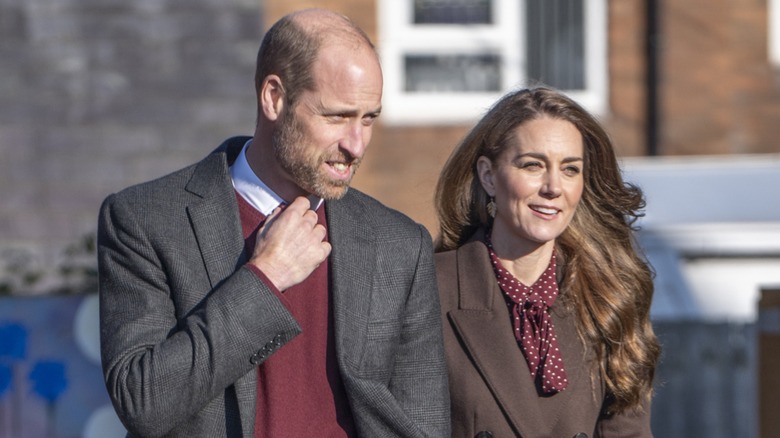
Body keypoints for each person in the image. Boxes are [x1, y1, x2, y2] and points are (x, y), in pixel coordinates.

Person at [97, 8, 450, 438]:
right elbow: (143, 403)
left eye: (369, 118)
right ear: (274, 98)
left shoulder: (398, 244)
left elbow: (422, 425)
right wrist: (264, 278)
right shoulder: (145, 220)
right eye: (337, 116)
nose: (356, 144)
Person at [434, 87, 660, 437]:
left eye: (570, 169)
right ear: (488, 175)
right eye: (533, 165)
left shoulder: (610, 299)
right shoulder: (430, 289)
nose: (554, 187)